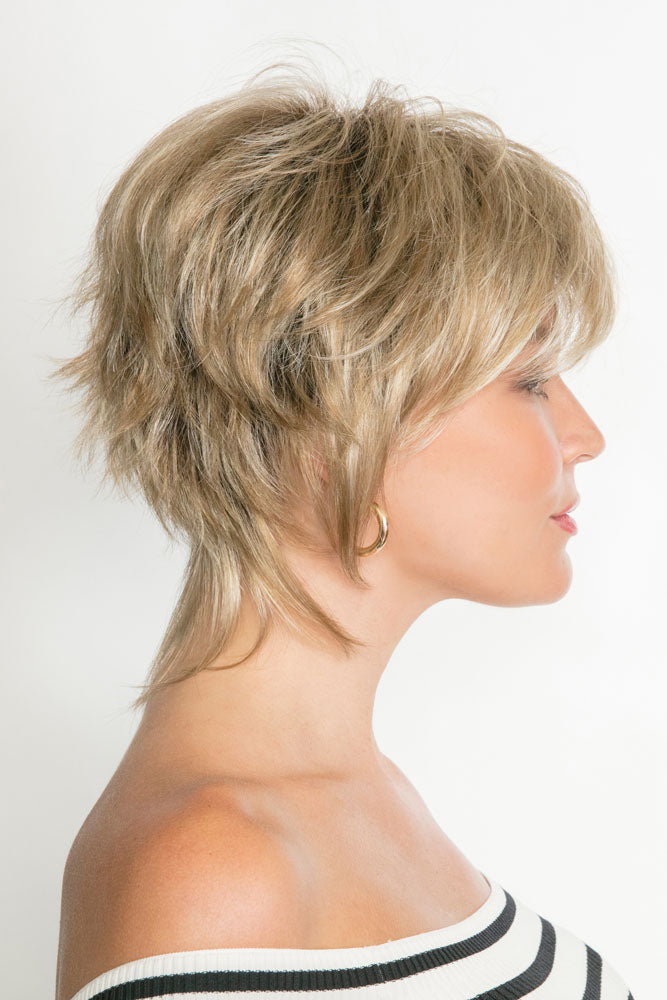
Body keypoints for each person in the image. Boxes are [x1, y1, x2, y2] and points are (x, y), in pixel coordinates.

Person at [50, 61, 634, 1000]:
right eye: (528, 380)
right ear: (337, 412)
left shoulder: (362, 792)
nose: (585, 434)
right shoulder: (213, 872)